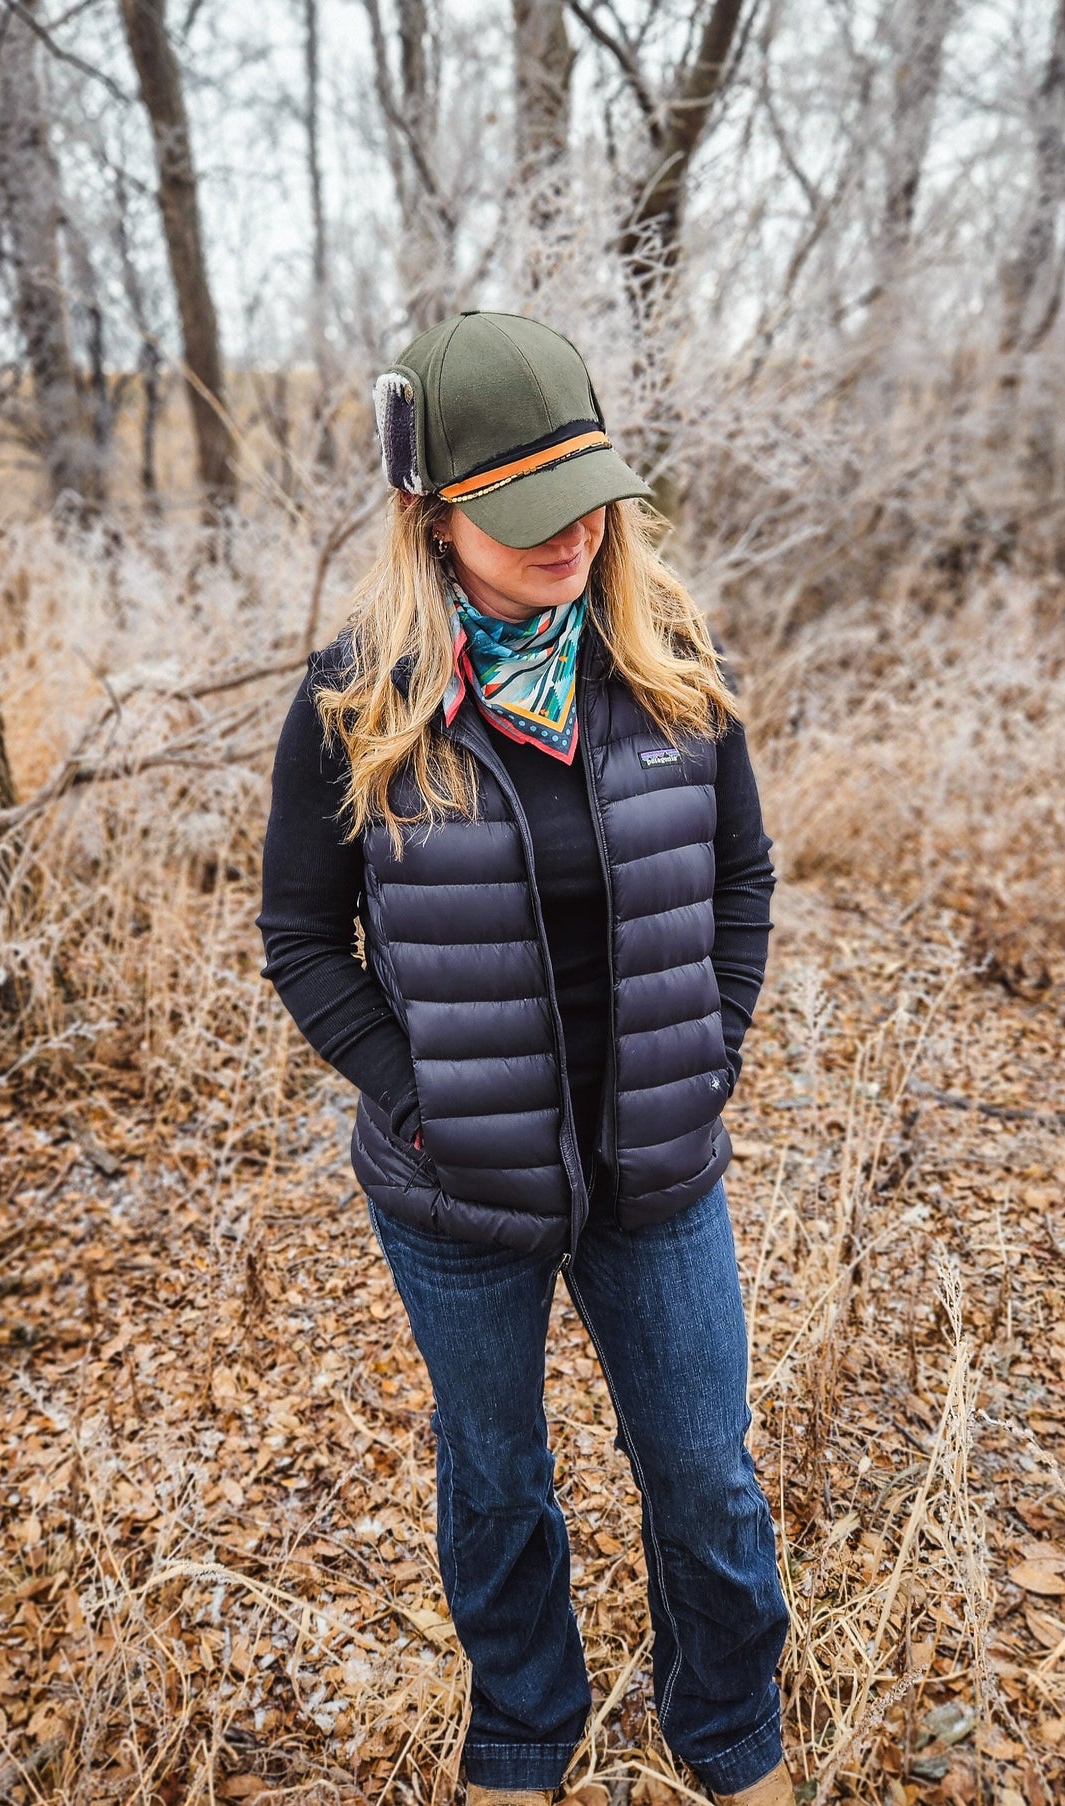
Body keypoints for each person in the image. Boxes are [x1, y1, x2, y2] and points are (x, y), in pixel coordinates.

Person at [258, 311, 792, 1806]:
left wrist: (711, 1051)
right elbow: (302, 938)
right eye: (525, 507)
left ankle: (731, 1737)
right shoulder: (354, 697)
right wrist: (420, 1097)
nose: (572, 535)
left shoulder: (671, 662)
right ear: (432, 514)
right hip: (455, 1188)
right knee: (495, 1482)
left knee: (702, 1475)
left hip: (658, 1166)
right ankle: (520, 1737)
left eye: (590, 492)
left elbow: (742, 880)